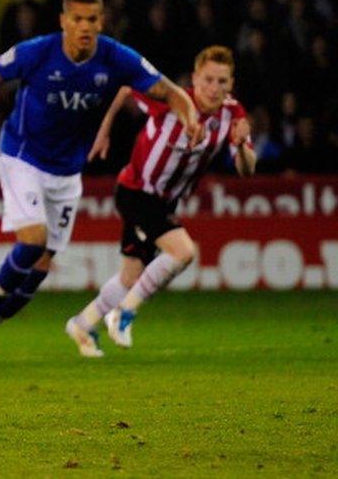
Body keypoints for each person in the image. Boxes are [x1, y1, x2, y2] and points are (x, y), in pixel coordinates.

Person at [0, 0, 203, 368]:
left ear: (101, 22)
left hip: (67, 173)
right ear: (63, 21)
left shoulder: (116, 58)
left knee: (39, 269)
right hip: (22, 155)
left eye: (92, 20)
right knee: (32, 240)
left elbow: (171, 91)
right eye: (77, 19)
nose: (84, 27)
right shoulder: (39, 51)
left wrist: (189, 117)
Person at [66, 45, 255, 355]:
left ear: (231, 84)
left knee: (131, 275)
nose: (214, 88)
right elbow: (126, 85)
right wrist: (104, 130)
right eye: (208, 79)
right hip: (135, 191)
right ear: (195, 78)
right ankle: (124, 313)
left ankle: (82, 324)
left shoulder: (233, 114)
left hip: (164, 202)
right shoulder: (170, 98)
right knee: (183, 252)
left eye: (222, 82)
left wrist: (242, 147)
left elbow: (246, 170)